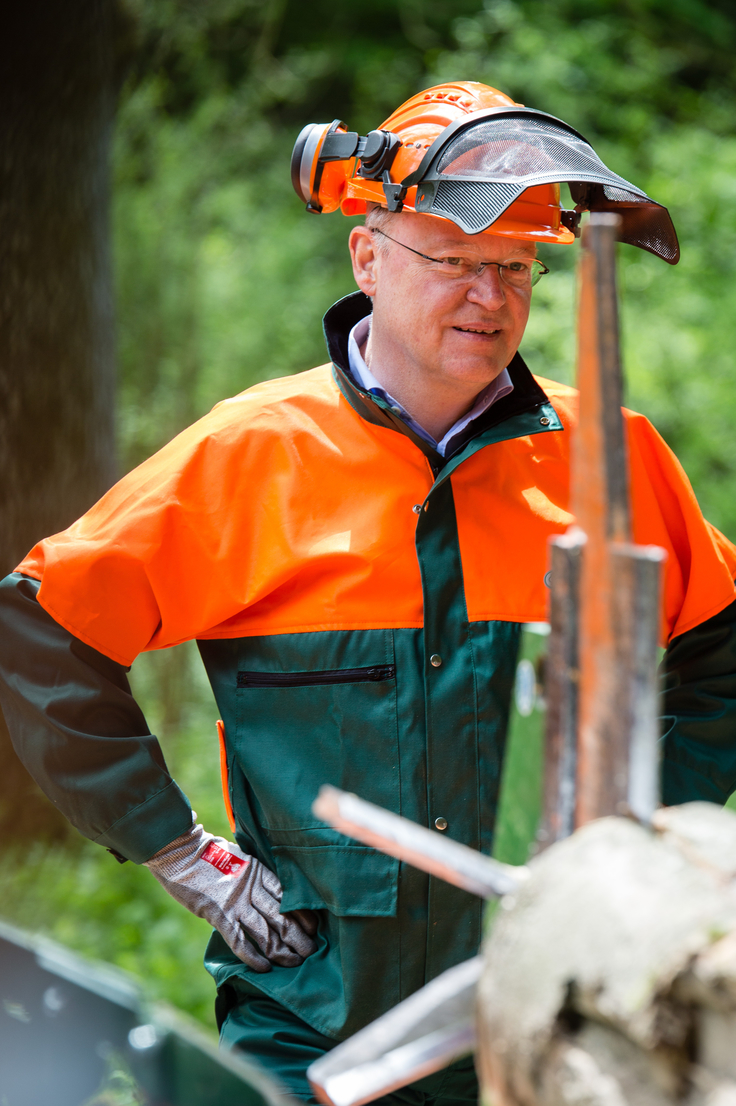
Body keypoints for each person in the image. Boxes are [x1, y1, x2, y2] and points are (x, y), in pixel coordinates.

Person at [2, 81, 736, 1105]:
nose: (490, 297)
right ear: (367, 255)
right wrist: (176, 848)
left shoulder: (606, 455)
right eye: (454, 262)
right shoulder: (248, 453)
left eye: (515, 269)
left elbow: (723, 647)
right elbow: (39, 631)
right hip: (315, 1018)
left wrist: (639, 824)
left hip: (553, 1010)